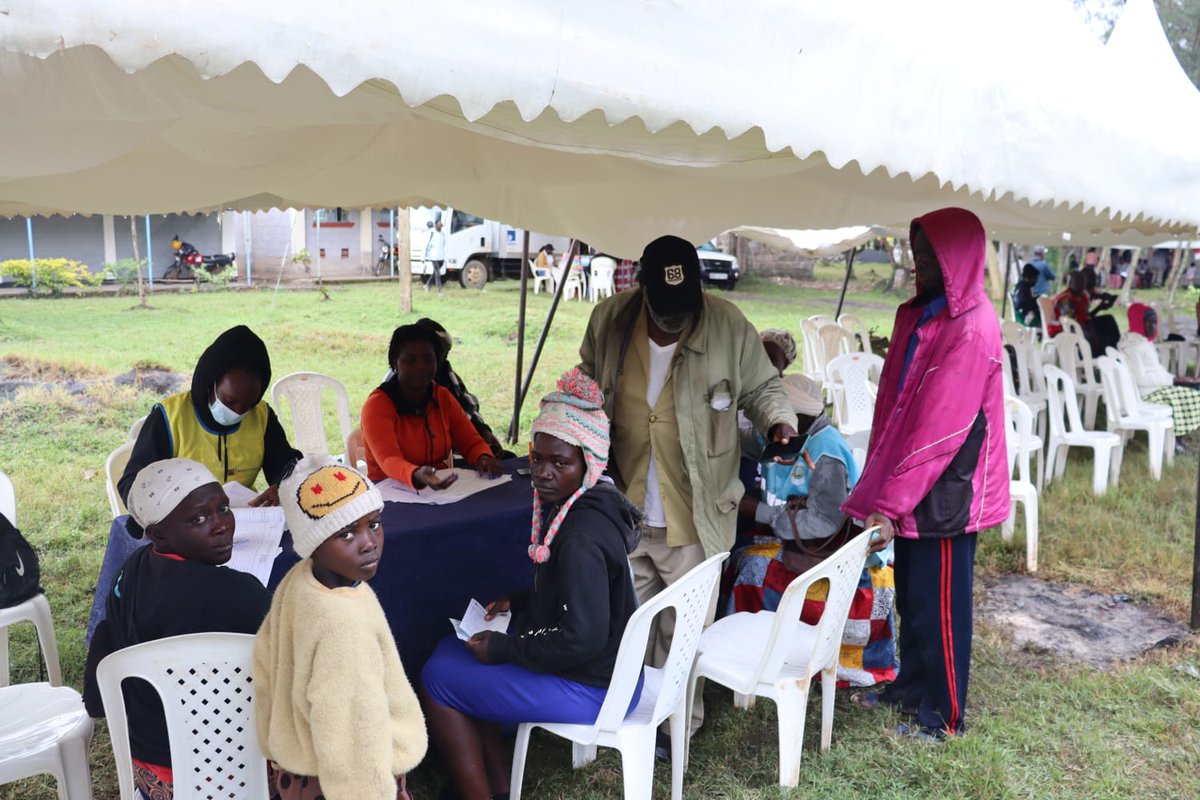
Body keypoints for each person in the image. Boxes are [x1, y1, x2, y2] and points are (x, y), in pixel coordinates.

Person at [578, 234, 796, 739]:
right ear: (641, 288)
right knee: (625, 623)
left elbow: (763, 388)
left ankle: (676, 729)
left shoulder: (728, 326)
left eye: (683, 308)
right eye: (663, 309)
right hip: (623, 504)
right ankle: (624, 720)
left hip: (696, 509)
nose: (673, 320)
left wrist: (778, 422)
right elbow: (585, 383)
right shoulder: (610, 321)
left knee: (683, 630)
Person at [420, 369, 642, 800]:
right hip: (610, 670)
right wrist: (520, 601)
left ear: (589, 464)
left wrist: (505, 649)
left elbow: (583, 637)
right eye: (537, 458)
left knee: (438, 678)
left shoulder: (579, 538)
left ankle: (478, 794)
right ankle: (500, 786)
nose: (542, 472)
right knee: (455, 652)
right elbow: (577, 600)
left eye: (560, 463)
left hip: (594, 687)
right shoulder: (589, 507)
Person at [840, 207, 1009, 741]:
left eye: (929, 253)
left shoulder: (972, 326)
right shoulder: (923, 312)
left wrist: (890, 504)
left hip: (947, 491)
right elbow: (899, 406)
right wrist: (886, 486)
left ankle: (944, 716)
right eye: (916, 250)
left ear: (956, 257)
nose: (918, 262)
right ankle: (910, 687)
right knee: (914, 596)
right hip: (915, 479)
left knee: (942, 611)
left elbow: (940, 427)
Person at [83, 459, 271, 799]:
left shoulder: (132, 568)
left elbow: (107, 637)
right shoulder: (239, 592)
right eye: (199, 519)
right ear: (157, 533)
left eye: (223, 509)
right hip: (232, 767)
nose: (221, 526)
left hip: (149, 768)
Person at [255, 457, 427, 800]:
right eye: (346, 533)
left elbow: (264, 663)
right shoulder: (343, 625)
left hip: (299, 769)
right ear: (313, 543)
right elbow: (354, 731)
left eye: (374, 524)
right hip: (346, 784)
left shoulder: (300, 581)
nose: (368, 542)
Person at [724, 375, 897, 688]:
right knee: (742, 556)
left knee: (754, 568)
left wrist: (757, 510)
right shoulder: (783, 436)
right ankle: (748, 655)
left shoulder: (825, 452)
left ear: (797, 418)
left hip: (834, 549)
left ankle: (765, 659)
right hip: (798, 538)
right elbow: (739, 437)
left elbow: (823, 522)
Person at [118, 325, 301, 522]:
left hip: (244, 521)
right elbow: (132, 484)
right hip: (183, 526)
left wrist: (283, 486)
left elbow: (286, 464)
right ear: (210, 383)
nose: (238, 411)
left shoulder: (262, 416)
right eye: (230, 401)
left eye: (248, 404)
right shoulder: (170, 417)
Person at [362, 323, 503, 489]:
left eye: (428, 359)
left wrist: (483, 457)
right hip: (389, 492)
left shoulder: (442, 397)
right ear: (395, 363)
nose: (420, 366)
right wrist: (416, 474)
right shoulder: (377, 405)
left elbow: (471, 442)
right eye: (410, 360)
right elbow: (388, 459)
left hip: (439, 490)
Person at [415, 317, 513, 458]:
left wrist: (484, 432)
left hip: (463, 444)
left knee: (507, 458)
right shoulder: (406, 384)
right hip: (438, 454)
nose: (443, 358)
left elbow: (466, 407)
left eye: (444, 352)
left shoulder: (445, 374)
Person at [1119, 304, 1200, 437]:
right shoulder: (1134, 347)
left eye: (1155, 323)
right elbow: (1141, 379)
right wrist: (1173, 380)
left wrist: (1178, 379)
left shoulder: (1142, 341)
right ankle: (1175, 437)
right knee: (1192, 394)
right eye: (1148, 323)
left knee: (1193, 387)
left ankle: (1176, 436)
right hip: (1146, 394)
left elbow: (1156, 370)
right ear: (1137, 322)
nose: (1153, 327)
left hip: (1155, 387)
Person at [1050, 270, 1119, 356]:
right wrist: (1093, 334)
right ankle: (1092, 361)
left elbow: (1087, 317)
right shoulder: (1065, 299)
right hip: (1066, 329)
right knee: (1093, 338)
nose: (1081, 286)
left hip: (1081, 325)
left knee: (1108, 320)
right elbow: (1072, 323)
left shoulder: (1082, 296)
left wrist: (1100, 308)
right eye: (1078, 283)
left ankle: (1118, 347)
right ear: (1070, 283)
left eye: (1083, 283)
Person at [1011, 262, 1041, 327]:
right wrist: (1037, 301)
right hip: (1024, 318)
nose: (1036, 280)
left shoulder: (1020, 285)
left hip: (1020, 315)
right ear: (1029, 277)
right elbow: (1024, 302)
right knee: (1045, 317)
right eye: (1035, 278)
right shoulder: (1024, 288)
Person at [424, 219, 446, 295]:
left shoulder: (442, 234)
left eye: (441, 225)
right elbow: (427, 245)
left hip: (441, 257)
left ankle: (427, 285)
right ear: (436, 225)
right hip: (434, 256)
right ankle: (440, 290)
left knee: (436, 272)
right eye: (439, 224)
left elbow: (443, 245)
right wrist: (424, 257)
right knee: (437, 272)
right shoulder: (432, 233)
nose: (440, 226)